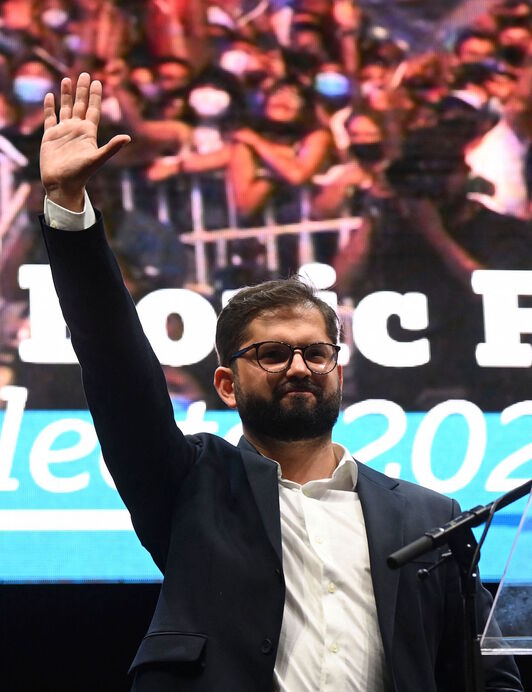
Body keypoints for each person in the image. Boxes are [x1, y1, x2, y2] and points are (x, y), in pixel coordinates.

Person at [39, 74, 523, 692]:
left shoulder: (432, 518)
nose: (299, 366)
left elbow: (489, 676)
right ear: (226, 383)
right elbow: (114, 367)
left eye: (316, 352)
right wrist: (68, 211)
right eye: (271, 354)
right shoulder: (191, 488)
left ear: (338, 367)